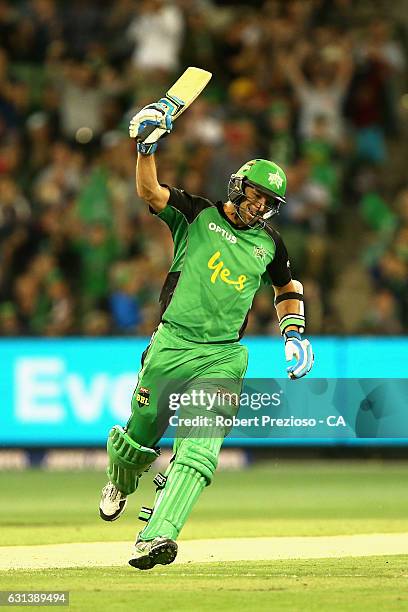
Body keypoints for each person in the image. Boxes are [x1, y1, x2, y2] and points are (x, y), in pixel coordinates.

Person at [99, 102, 314, 570]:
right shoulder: (196, 214)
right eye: (254, 195)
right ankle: (120, 478)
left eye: (267, 204)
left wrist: (294, 332)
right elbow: (149, 191)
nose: (258, 208)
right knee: (139, 438)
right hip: (172, 344)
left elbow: (287, 287)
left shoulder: (270, 243)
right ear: (238, 185)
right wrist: (147, 147)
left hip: (222, 357)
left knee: (198, 450)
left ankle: (156, 537)